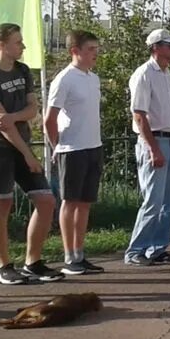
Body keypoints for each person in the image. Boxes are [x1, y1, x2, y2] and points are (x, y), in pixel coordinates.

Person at [0, 23, 62, 285]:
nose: (22, 46)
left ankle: (32, 262)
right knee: (2, 203)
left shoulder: (23, 70)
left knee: (46, 201)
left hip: (21, 141)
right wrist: (28, 154)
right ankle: (3, 266)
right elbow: (0, 125)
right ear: (2, 44)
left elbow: (32, 110)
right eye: (17, 42)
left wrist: (14, 117)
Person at [43, 30, 105, 276]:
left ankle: (80, 253)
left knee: (85, 202)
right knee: (70, 201)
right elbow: (50, 119)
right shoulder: (64, 79)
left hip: (93, 145)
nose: (94, 54)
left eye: (95, 49)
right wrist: (56, 145)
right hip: (72, 148)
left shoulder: (93, 78)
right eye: (90, 49)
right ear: (75, 51)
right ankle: (69, 256)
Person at [125, 29, 170, 266]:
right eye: (168, 46)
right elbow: (139, 114)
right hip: (155, 140)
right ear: (155, 47)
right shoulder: (144, 74)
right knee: (153, 200)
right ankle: (135, 250)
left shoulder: (167, 74)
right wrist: (152, 148)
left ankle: (158, 247)